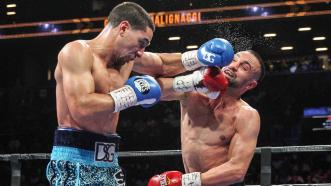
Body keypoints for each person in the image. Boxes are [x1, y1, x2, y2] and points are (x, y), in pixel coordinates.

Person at [45, 1, 234, 185]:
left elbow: (162, 63)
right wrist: (131, 95)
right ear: (124, 28)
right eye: (141, 42)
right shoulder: (77, 52)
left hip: (109, 161)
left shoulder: (126, 60)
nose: (141, 52)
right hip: (74, 158)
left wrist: (198, 62)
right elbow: (82, 107)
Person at [148, 50, 265, 186]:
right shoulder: (192, 92)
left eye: (244, 67)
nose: (234, 66)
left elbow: (237, 170)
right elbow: (152, 89)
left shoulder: (246, 115)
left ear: (250, 84)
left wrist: (184, 182)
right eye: (233, 59)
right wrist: (192, 77)